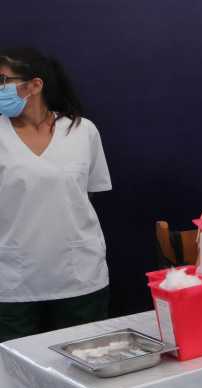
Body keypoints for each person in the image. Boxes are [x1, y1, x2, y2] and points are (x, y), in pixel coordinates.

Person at [0, 48, 113, 342]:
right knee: (13, 367)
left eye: (3, 80)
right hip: (12, 282)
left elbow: (86, 195)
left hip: (79, 277)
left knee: (85, 359)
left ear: (34, 85)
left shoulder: (82, 131)